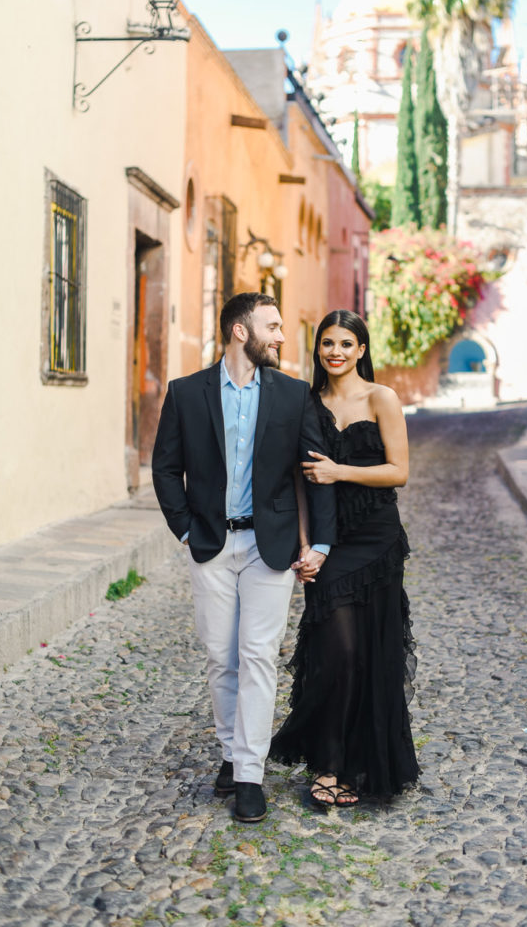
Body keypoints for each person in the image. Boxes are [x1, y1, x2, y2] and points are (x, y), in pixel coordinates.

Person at [151, 293, 337, 823]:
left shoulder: (292, 394)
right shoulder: (186, 394)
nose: (280, 336)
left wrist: (319, 542)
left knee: (257, 656)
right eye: (272, 326)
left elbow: (313, 468)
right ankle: (231, 755)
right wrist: (186, 529)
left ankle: (250, 774)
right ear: (239, 330)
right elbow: (166, 468)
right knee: (220, 656)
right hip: (210, 544)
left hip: (269, 546)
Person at [270, 310, 419, 806]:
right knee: (337, 653)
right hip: (331, 546)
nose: (335, 351)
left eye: (346, 343)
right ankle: (327, 763)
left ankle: (359, 766)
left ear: (361, 350)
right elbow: (299, 481)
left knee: (374, 654)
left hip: (376, 541)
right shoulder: (306, 403)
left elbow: (398, 472)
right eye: (327, 343)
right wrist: (307, 545)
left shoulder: (383, 398)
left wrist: (340, 472)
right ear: (319, 350)